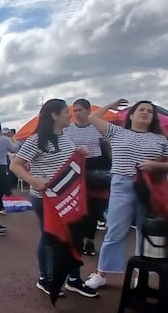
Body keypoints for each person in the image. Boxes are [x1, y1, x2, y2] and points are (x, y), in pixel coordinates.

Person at [84, 99, 168, 290]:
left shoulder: (160, 138)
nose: (145, 113)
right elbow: (92, 117)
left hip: (148, 187)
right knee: (115, 231)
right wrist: (111, 104)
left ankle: (140, 275)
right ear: (132, 115)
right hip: (122, 184)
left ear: (153, 117)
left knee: (144, 232)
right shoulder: (117, 132)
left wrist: (156, 165)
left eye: (149, 111)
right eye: (141, 110)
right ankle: (102, 273)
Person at [10, 99, 98, 299]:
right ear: (54, 116)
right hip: (46, 199)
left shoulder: (66, 136)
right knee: (50, 237)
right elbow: (15, 165)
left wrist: (79, 152)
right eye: (66, 112)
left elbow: (66, 160)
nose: (70, 115)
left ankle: (73, 279)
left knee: (72, 237)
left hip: (67, 198)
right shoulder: (36, 140)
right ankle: (45, 278)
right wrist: (33, 180)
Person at [64, 99, 111, 257]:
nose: (77, 114)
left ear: (88, 111)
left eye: (80, 110)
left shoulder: (97, 127)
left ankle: (89, 240)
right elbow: (65, 147)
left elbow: (107, 145)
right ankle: (76, 238)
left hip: (95, 168)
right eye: (75, 111)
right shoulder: (68, 129)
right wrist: (76, 150)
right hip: (76, 167)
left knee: (92, 207)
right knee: (77, 206)